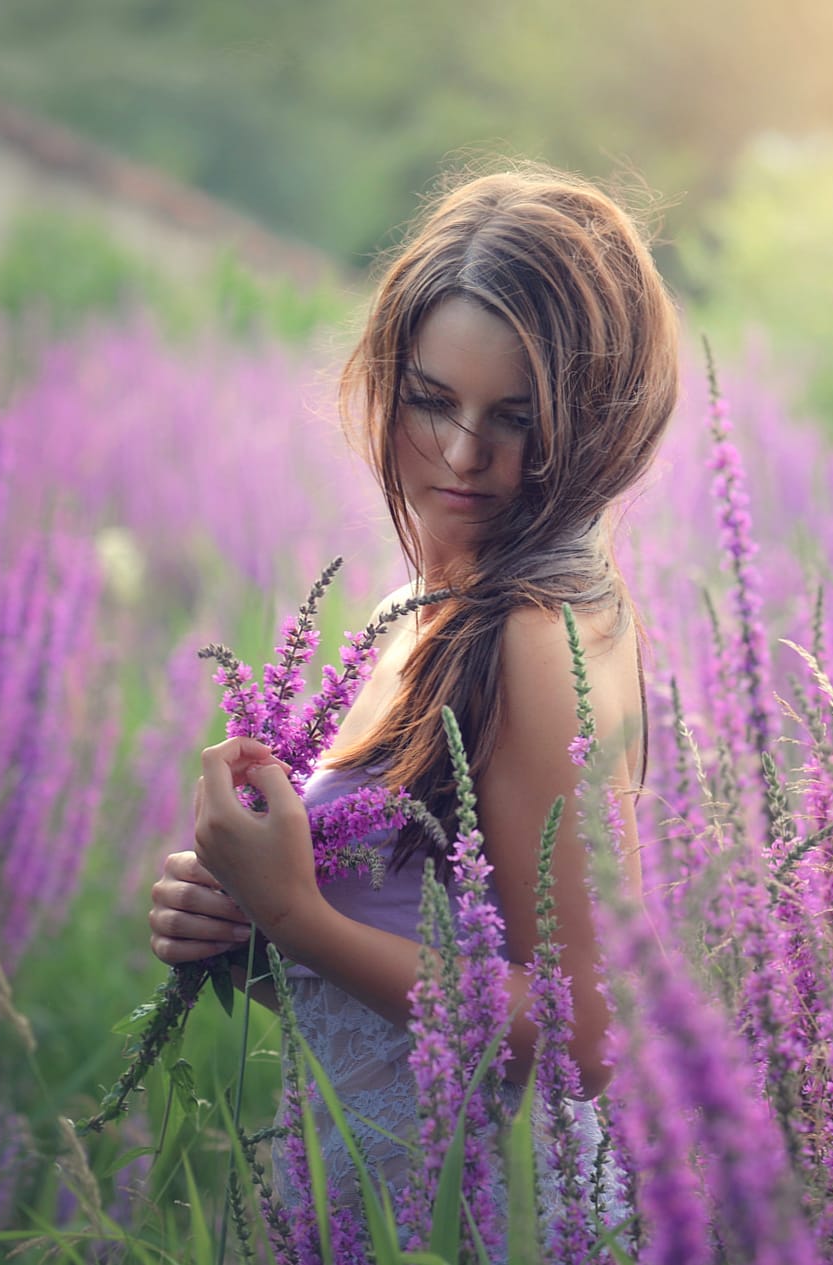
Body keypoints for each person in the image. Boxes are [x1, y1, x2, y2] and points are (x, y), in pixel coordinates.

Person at [147, 165, 679, 1230]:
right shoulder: (433, 605)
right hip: (385, 1197)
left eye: (515, 419)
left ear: (592, 425)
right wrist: (246, 929)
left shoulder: (528, 639)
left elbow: (588, 1031)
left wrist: (291, 912)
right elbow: (412, 971)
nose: (461, 453)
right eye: (432, 399)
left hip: (478, 1221)